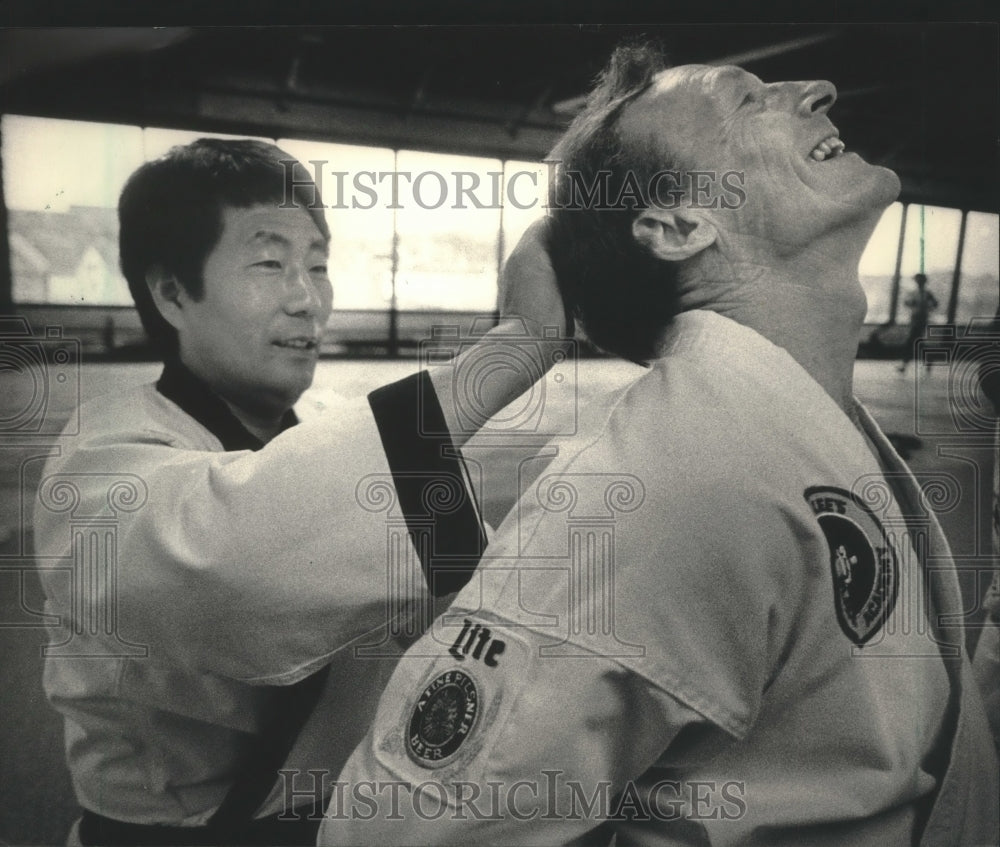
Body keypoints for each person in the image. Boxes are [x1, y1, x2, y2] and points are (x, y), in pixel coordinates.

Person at [318, 45, 1000, 846]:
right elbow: (394, 830)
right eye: (747, 102)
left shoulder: (796, 428)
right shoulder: (658, 487)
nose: (818, 87)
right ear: (678, 225)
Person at [32, 138, 568, 845]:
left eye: (318, 264)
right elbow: (237, 566)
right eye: (269, 262)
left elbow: (469, 601)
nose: (307, 298)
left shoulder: (332, 435)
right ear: (170, 292)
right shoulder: (100, 461)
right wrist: (513, 348)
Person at [898, 272, 939, 372]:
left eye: (920, 281)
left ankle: (905, 364)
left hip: (921, 319)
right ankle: (928, 359)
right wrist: (911, 304)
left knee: (911, 341)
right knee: (918, 341)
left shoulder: (926, 293)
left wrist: (927, 307)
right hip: (915, 318)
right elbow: (906, 303)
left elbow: (935, 304)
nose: (918, 283)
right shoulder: (914, 292)